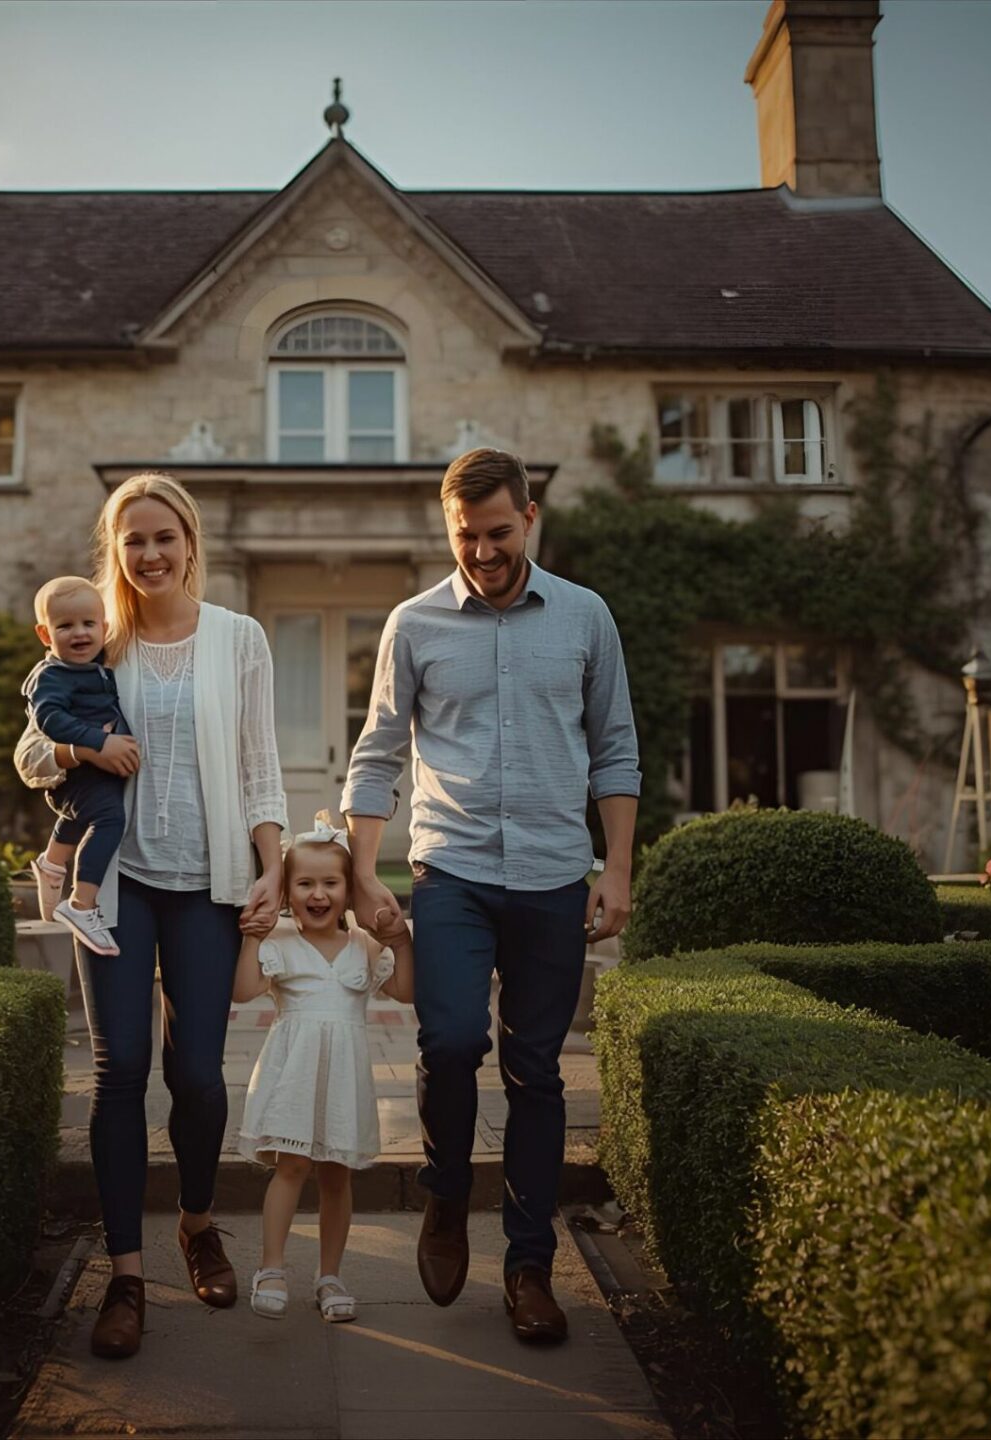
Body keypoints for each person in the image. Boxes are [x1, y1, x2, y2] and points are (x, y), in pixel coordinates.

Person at [341, 446, 640, 1346]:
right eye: (466, 536)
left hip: (554, 873)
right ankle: (443, 1193)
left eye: (498, 532)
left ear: (531, 518)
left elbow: (616, 749)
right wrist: (362, 871)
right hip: (454, 870)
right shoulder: (415, 624)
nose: (482, 551)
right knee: (453, 1038)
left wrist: (616, 868)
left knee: (537, 1071)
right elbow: (379, 751)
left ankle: (527, 1266)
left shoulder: (586, 617)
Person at [11, 472, 286, 1361]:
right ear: (114, 550)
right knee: (119, 1067)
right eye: (134, 540)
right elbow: (28, 751)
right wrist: (78, 746)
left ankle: (198, 1224)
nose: (151, 553)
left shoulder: (238, 638)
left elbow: (259, 767)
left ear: (191, 542)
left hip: (207, 886)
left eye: (165, 536)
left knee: (199, 1076)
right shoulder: (92, 639)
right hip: (116, 888)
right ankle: (126, 1276)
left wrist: (272, 870)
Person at [231, 812, 413, 1324]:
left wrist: (400, 943)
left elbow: (404, 992)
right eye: (305, 883)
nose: (318, 893)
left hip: (343, 1078)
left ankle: (330, 1275)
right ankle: (271, 1268)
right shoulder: (280, 941)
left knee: (337, 1176)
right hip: (293, 1073)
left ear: (349, 891)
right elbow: (243, 991)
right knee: (290, 1167)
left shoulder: (363, 944)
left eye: (330, 883)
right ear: (287, 892)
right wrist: (251, 936)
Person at [21, 574, 140, 954]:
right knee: (109, 819)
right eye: (65, 626)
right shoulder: (53, 676)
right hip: (76, 773)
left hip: (89, 776)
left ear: (104, 627)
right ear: (45, 635)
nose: (80, 634)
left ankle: (53, 863)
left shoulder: (97, 664)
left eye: (89, 624)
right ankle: (82, 904)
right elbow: (49, 720)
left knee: (79, 817)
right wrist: (98, 742)